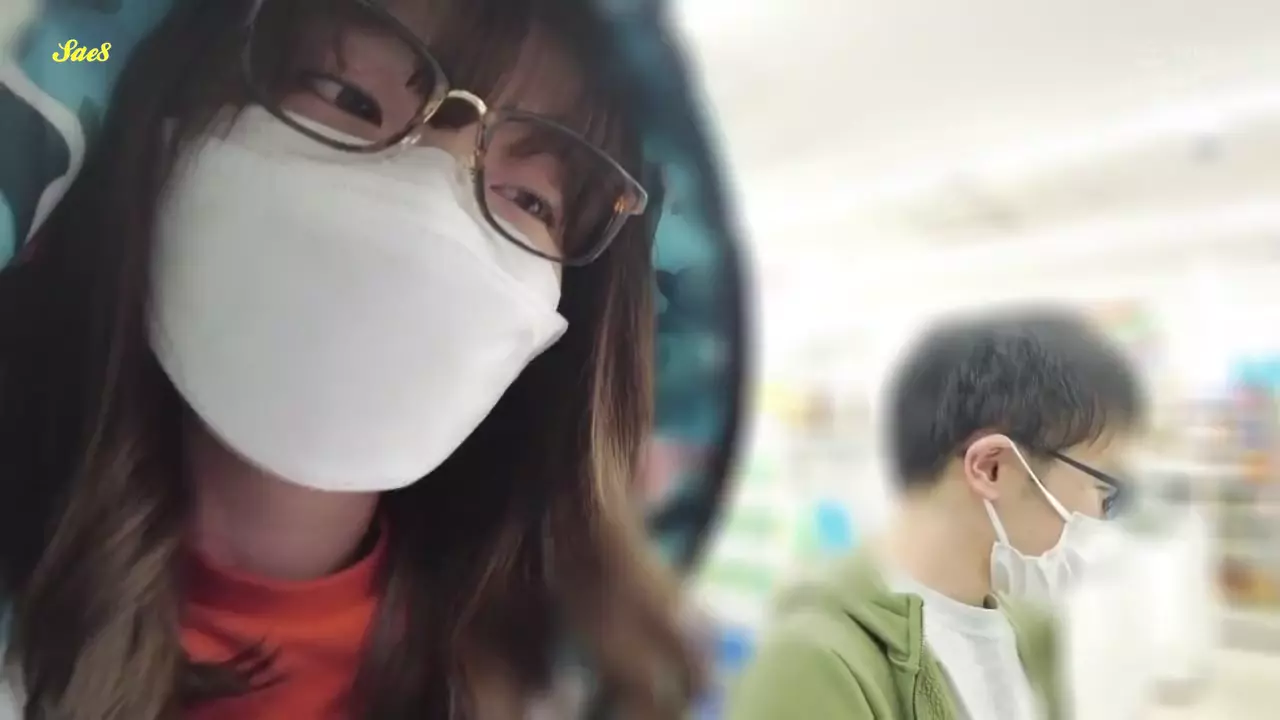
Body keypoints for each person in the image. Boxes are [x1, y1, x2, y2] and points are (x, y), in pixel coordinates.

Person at [0, 0, 708, 717]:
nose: (426, 206)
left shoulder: (568, 687)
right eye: (349, 98)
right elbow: (79, 52)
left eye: (528, 197)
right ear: (177, 122)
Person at [727, 308, 1147, 720]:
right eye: (1102, 484)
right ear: (991, 467)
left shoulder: (1031, 632)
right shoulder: (815, 665)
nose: (1101, 513)